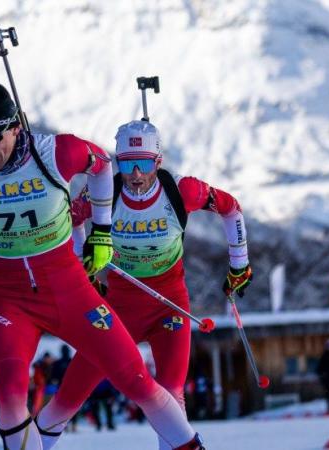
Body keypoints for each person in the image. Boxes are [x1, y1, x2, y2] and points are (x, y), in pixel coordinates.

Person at [0, 83, 205, 450]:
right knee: (10, 395)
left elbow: (101, 167)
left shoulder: (56, 152)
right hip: (7, 298)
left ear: (15, 127)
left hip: (69, 290)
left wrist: (102, 232)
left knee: (138, 381)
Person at [36, 119, 251, 450]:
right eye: (127, 163)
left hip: (170, 304)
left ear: (158, 162)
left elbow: (231, 209)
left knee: (170, 390)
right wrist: (85, 263)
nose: (135, 173)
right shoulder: (101, 192)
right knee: (73, 389)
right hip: (120, 307)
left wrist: (240, 263)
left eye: (144, 163)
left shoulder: (183, 191)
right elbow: (72, 219)